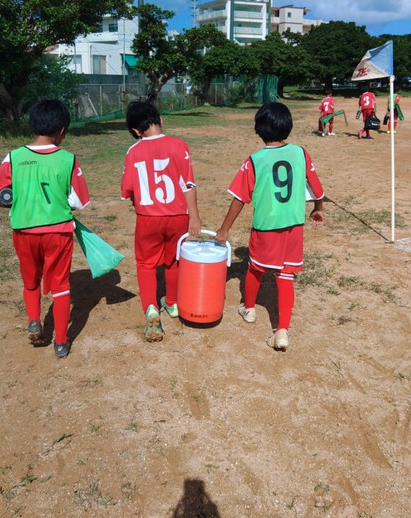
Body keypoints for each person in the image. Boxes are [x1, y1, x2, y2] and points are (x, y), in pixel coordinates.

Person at [215, 102, 324, 351]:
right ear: (288, 126)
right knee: (286, 276)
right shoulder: (301, 152)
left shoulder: (255, 160)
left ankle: (250, 309)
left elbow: (239, 198)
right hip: (294, 226)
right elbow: (317, 187)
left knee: (255, 269)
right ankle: (282, 330)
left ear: (259, 129)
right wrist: (318, 208)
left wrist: (224, 229)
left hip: (266, 227)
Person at [0, 99, 90, 358]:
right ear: (62, 130)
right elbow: (80, 202)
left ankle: (34, 320)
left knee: (31, 281)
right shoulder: (68, 159)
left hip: (24, 231)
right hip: (58, 232)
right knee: (61, 285)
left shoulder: (13, 157)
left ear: (32, 125)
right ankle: (61, 342)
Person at [121, 100, 202, 342]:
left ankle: (151, 309)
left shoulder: (133, 151)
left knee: (146, 264)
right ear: (161, 120)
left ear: (136, 131)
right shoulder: (180, 145)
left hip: (148, 218)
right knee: (173, 261)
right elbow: (188, 184)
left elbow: (128, 189)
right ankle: (173, 303)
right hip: (178, 216)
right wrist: (194, 216)